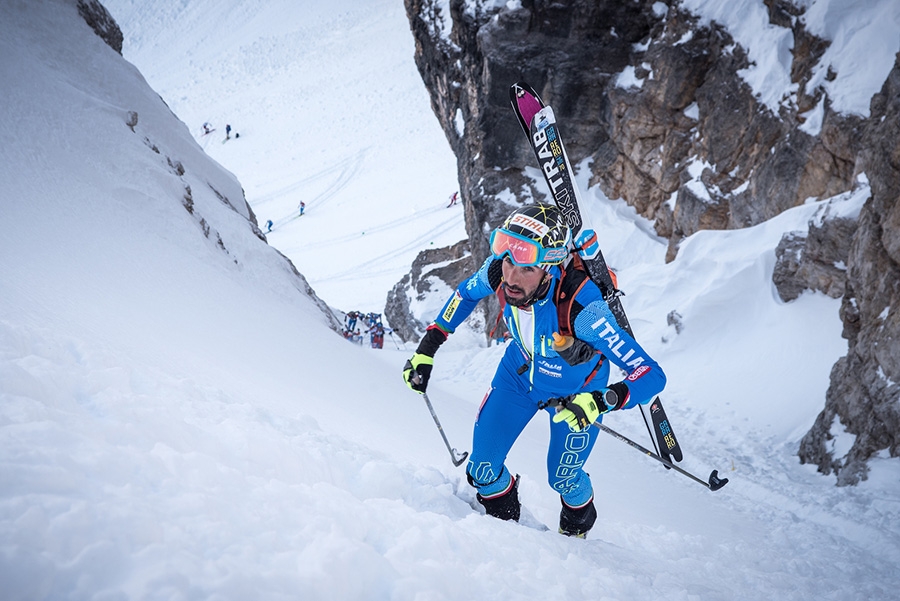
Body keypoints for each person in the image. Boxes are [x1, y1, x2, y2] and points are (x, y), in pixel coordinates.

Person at [402, 204, 666, 538]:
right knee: (482, 470)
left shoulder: (585, 311)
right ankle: (509, 535)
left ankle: (574, 541)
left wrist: (602, 400)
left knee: (563, 477)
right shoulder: (500, 270)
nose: (511, 277)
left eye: (526, 268)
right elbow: (465, 294)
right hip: (519, 374)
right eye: (509, 261)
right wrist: (427, 349)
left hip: (579, 390)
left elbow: (652, 374)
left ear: (550, 267)